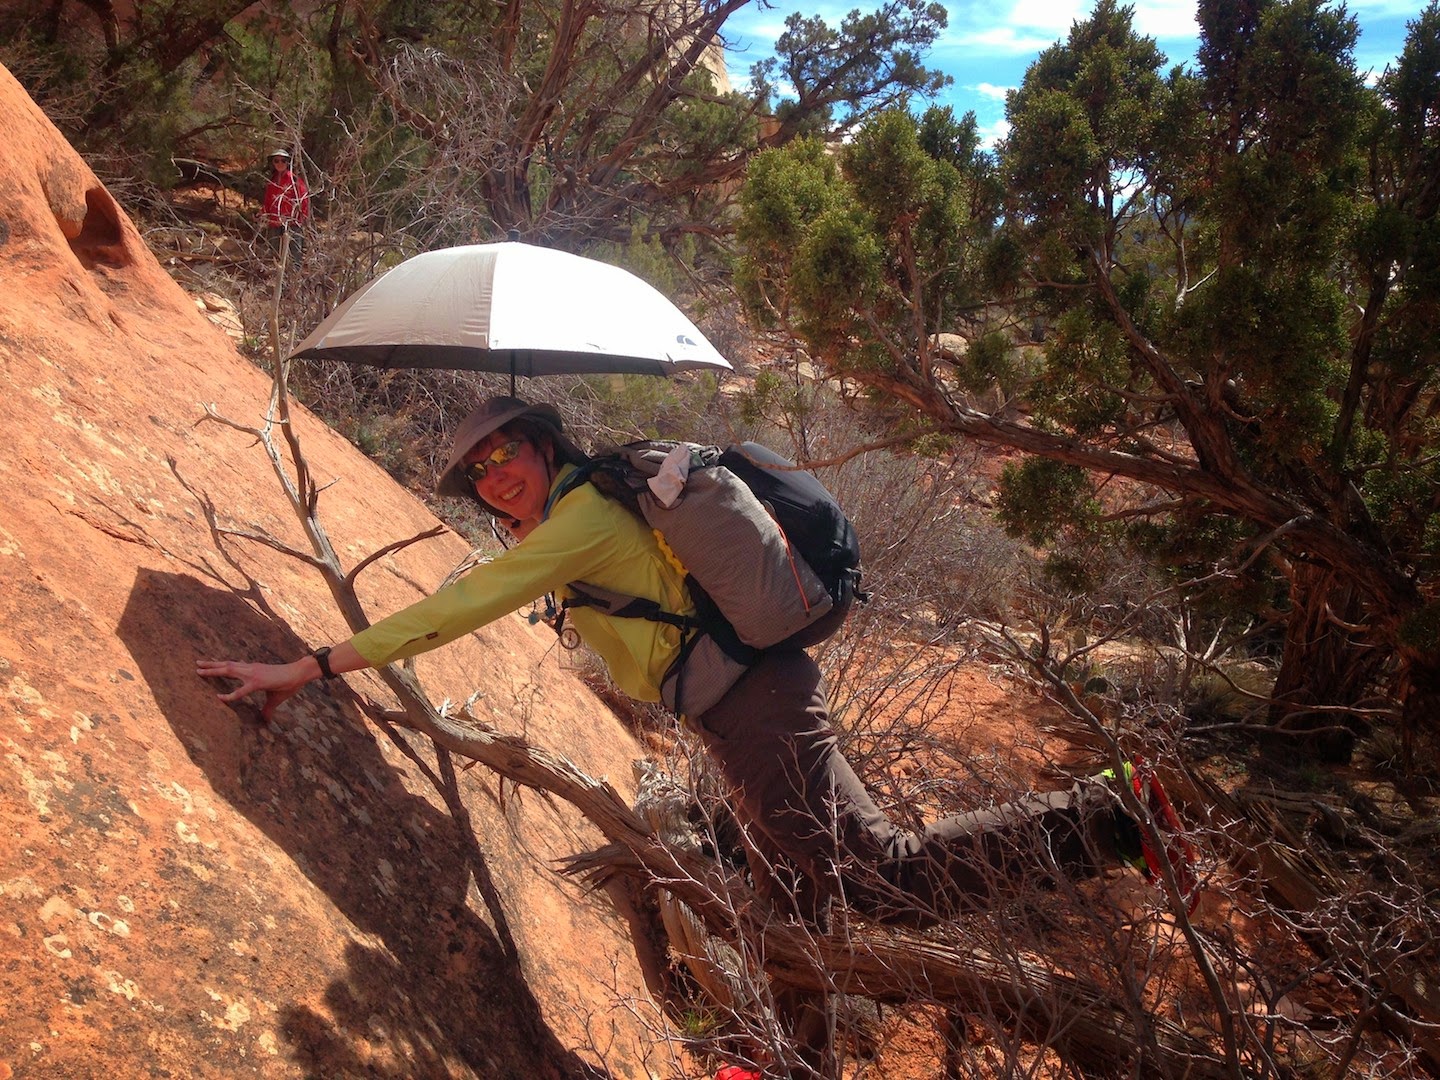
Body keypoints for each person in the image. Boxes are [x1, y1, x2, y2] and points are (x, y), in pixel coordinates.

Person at [197, 397, 1194, 1071]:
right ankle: (774, 1056)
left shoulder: (580, 516)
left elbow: (454, 611)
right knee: (795, 894)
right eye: (476, 472)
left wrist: (307, 666)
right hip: (737, 707)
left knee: (874, 876)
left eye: (505, 455)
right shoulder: (576, 515)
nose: (493, 475)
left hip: (753, 702)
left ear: (543, 445)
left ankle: (1112, 817)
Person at [260, 148, 309, 261]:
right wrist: (263, 213)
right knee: (277, 252)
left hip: (292, 224)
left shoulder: (294, 180)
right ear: (272, 163)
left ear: (287, 163)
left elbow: (303, 201)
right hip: (275, 223)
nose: (280, 163)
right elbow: (268, 202)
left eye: (283, 160)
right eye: (276, 160)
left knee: (295, 253)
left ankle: (295, 277)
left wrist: (297, 219)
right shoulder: (272, 181)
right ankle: (281, 277)